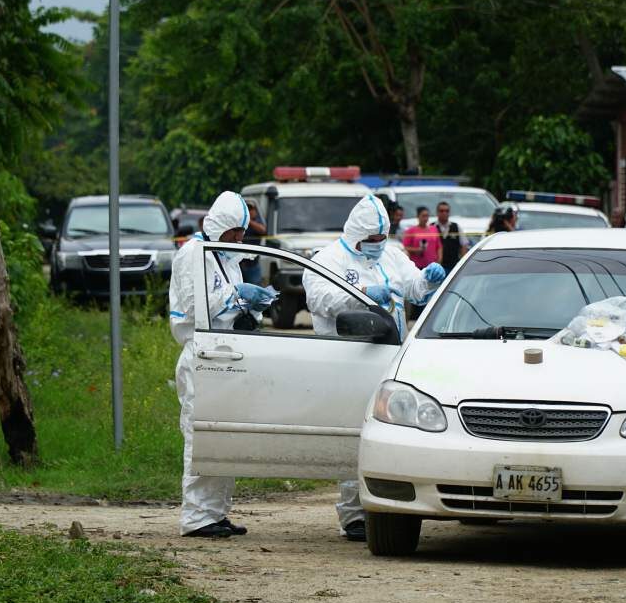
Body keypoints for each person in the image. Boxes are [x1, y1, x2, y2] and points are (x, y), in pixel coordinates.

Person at [302, 194, 445, 541]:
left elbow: (413, 287)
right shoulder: (328, 259)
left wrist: (427, 279)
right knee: (355, 437)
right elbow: (319, 299)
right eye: (372, 241)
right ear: (356, 236)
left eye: (382, 239)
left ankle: (388, 507)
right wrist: (364, 294)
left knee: (391, 435)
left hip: (390, 357)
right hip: (347, 361)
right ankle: (354, 516)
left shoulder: (392, 253)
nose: (378, 246)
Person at [169, 191, 278, 538]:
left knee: (224, 437)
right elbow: (193, 306)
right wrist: (235, 296)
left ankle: (215, 513)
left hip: (226, 354)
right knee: (200, 437)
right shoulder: (192, 254)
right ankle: (196, 517)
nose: (239, 240)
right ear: (218, 227)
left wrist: (255, 305)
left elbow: (229, 308)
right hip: (201, 355)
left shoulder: (225, 257)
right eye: (234, 233)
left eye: (241, 233)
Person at [434, 201, 469, 272]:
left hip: (453, 267)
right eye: (441, 211)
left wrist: (462, 264)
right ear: (437, 212)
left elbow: (464, 245)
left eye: (447, 211)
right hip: (436, 267)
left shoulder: (456, 226)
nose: (444, 213)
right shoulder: (432, 227)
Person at [239, 200, 268, 285]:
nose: (249, 211)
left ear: (255, 211)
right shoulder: (240, 222)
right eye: (247, 209)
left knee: (256, 289)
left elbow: (263, 230)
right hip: (238, 263)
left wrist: (249, 221)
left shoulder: (257, 221)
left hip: (253, 264)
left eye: (251, 209)